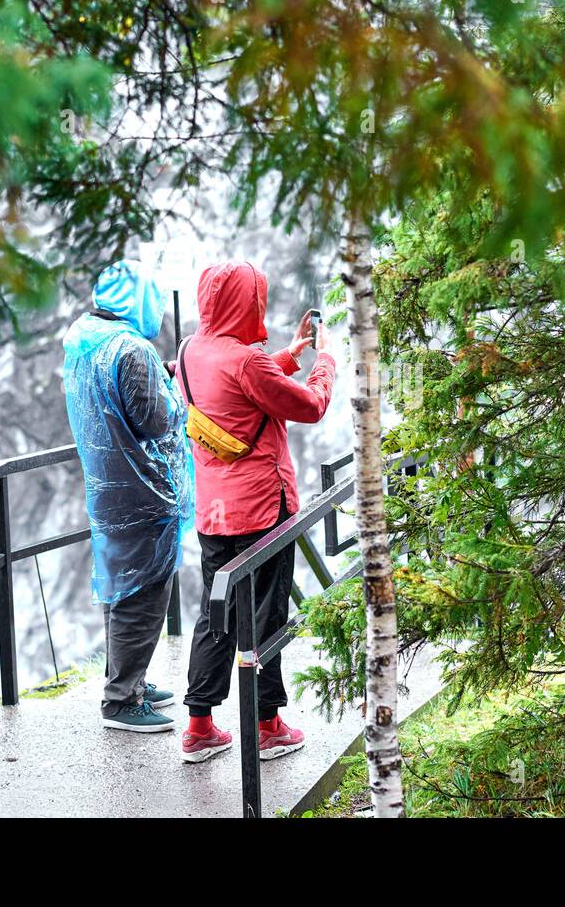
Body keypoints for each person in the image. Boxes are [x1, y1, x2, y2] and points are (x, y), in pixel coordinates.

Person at [175, 260, 337, 763]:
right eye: (257, 299)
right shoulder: (247, 361)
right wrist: (324, 361)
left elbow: (241, 393)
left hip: (214, 511)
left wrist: (287, 354)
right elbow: (309, 406)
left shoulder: (190, 350)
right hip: (263, 509)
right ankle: (268, 725)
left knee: (215, 613)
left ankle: (199, 726)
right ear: (248, 304)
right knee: (266, 617)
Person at [62, 260, 194, 732]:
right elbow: (154, 419)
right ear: (136, 299)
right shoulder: (131, 348)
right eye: (154, 297)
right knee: (144, 592)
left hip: (108, 487)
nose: (157, 307)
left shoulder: (84, 338)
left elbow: (116, 401)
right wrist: (177, 391)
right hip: (143, 491)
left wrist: (157, 376)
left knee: (122, 586)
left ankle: (128, 680)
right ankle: (121, 701)